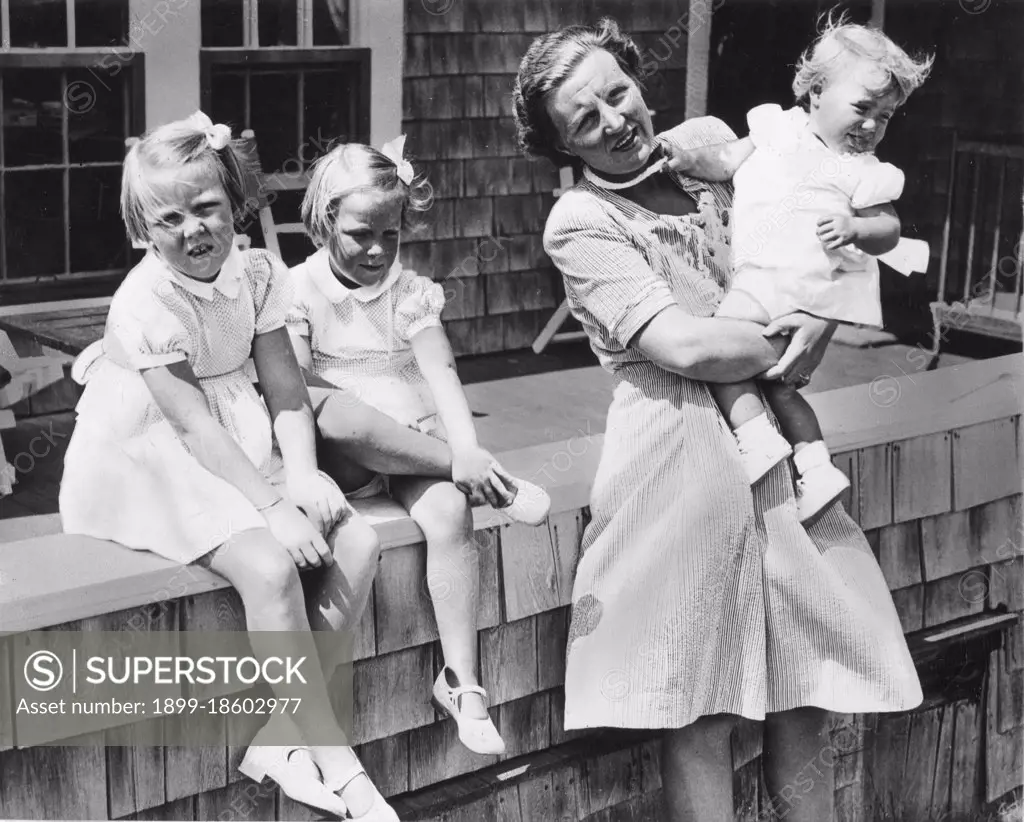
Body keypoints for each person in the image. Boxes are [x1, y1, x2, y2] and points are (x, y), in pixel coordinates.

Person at [513, 20, 922, 822]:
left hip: (773, 445)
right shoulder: (581, 221)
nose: (615, 120)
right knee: (701, 697)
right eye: (585, 120)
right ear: (562, 145)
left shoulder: (716, 169)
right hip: (678, 458)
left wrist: (822, 316)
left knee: (804, 681)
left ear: (637, 79)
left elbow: (814, 246)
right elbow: (687, 347)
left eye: (617, 92)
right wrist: (791, 331)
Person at [58, 111, 419, 821]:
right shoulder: (144, 302)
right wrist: (272, 508)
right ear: (143, 230)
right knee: (268, 565)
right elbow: (191, 426)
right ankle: (337, 760)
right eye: (169, 219)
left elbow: (285, 388)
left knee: (357, 538)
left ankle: (283, 737)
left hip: (241, 439)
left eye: (207, 208)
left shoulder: (257, 273)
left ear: (234, 206)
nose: (193, 230)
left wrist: (306, 476)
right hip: (155, 454)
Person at [285, 137, 551, 755]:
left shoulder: (411, 293)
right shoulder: (297, 290)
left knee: (451, 509)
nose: (378, 249)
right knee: (345, 418)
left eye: (392, 233)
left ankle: (463, 680)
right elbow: (300, 386)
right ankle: (493, 483)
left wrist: (468, 445)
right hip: (343, 447)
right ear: (325, 221)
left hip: (409, 441)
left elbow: (441, 373)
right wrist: (461, 462)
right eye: (360, 234)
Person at [664, 14, 933, 522]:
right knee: (777, 383)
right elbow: (725, 160)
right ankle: (815, 465)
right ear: (814, 94)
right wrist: (683, 159)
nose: (872, 125)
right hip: (763, 277)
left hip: (798, 286)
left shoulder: (865, 172)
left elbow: (889, 230)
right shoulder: (775, 130)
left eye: (886, 115)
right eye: (862, 108)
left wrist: (856, 228)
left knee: (719, 350)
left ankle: (755, 438)